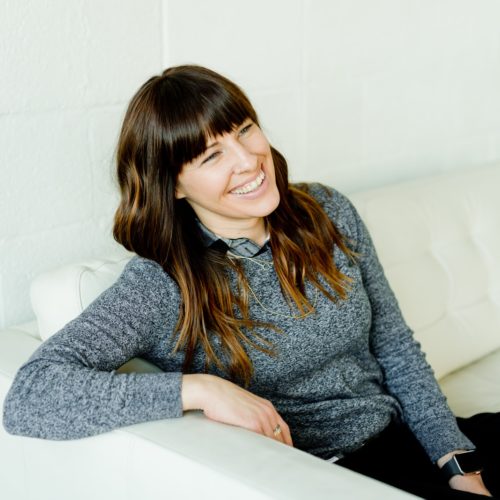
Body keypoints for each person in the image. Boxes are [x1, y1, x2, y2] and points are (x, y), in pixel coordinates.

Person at [2, 65, 498, 499]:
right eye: (210, 156)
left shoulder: (325, 210)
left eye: (244, 130)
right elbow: (31, 396)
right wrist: (200, 390)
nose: (247, 160)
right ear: (172, 183)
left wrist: (455, 460)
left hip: (411, 437)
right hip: (338, 477)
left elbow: (395, 346)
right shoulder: (162, 284)